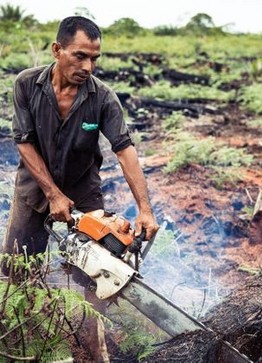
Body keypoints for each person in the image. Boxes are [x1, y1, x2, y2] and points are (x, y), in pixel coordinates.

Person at [2, 16, 159, 361]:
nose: (88, 66)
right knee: (16, 268)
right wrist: (53, 194)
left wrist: (145, 209)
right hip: (33, 189)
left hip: (84, 192)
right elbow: (24, 142)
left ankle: (92, 346)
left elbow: (124, 149)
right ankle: (19, 337)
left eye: (94, 58)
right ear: (57, 50)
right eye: (79, 56)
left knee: (99, 271)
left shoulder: (102, 98)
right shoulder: (27, 84)